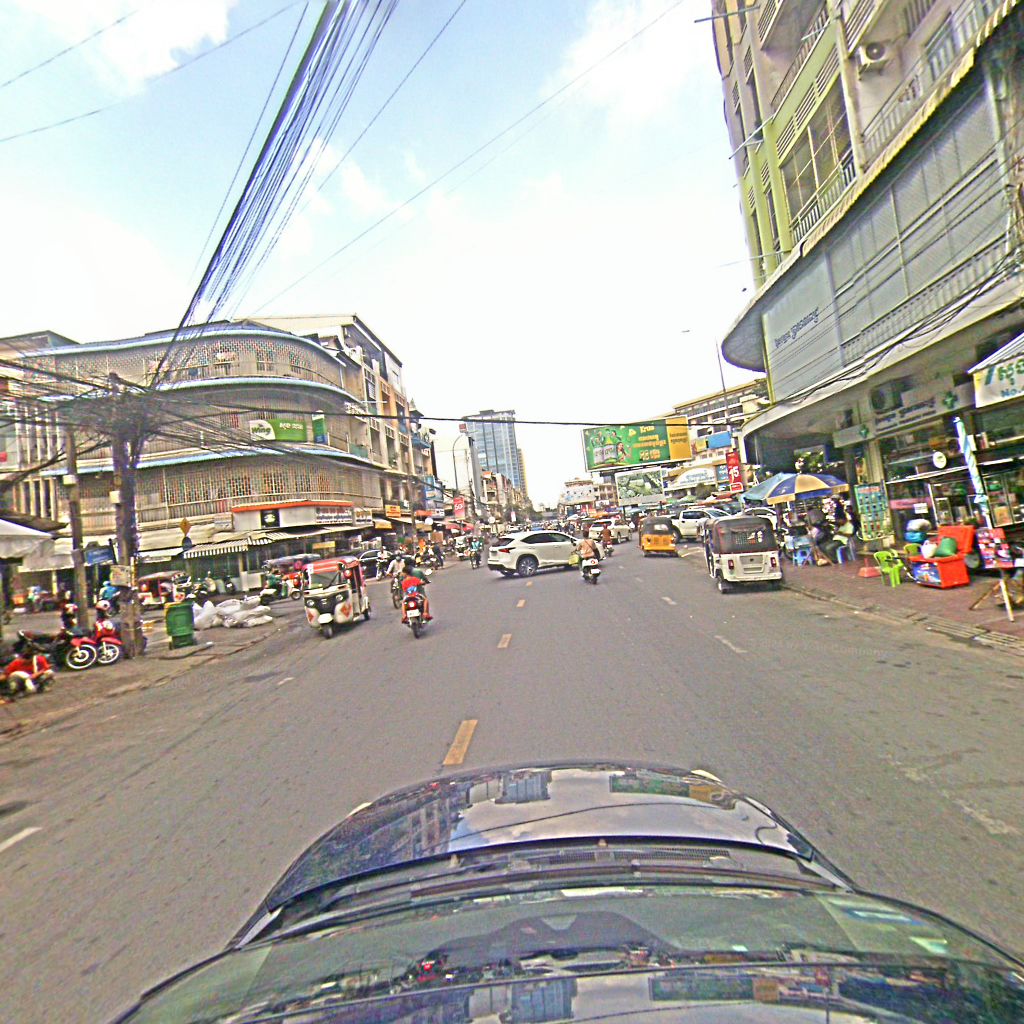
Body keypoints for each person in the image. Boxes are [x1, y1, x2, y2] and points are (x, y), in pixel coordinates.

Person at [399, 559, 431, 623]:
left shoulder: (404, 580)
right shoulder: (417, 573)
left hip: (408, 596)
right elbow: (423, 581)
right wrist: (424, 582)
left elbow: (403, 588)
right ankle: (425, 613)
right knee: (425, 600)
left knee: (403, 603)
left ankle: (404, 615)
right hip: (417, 594)